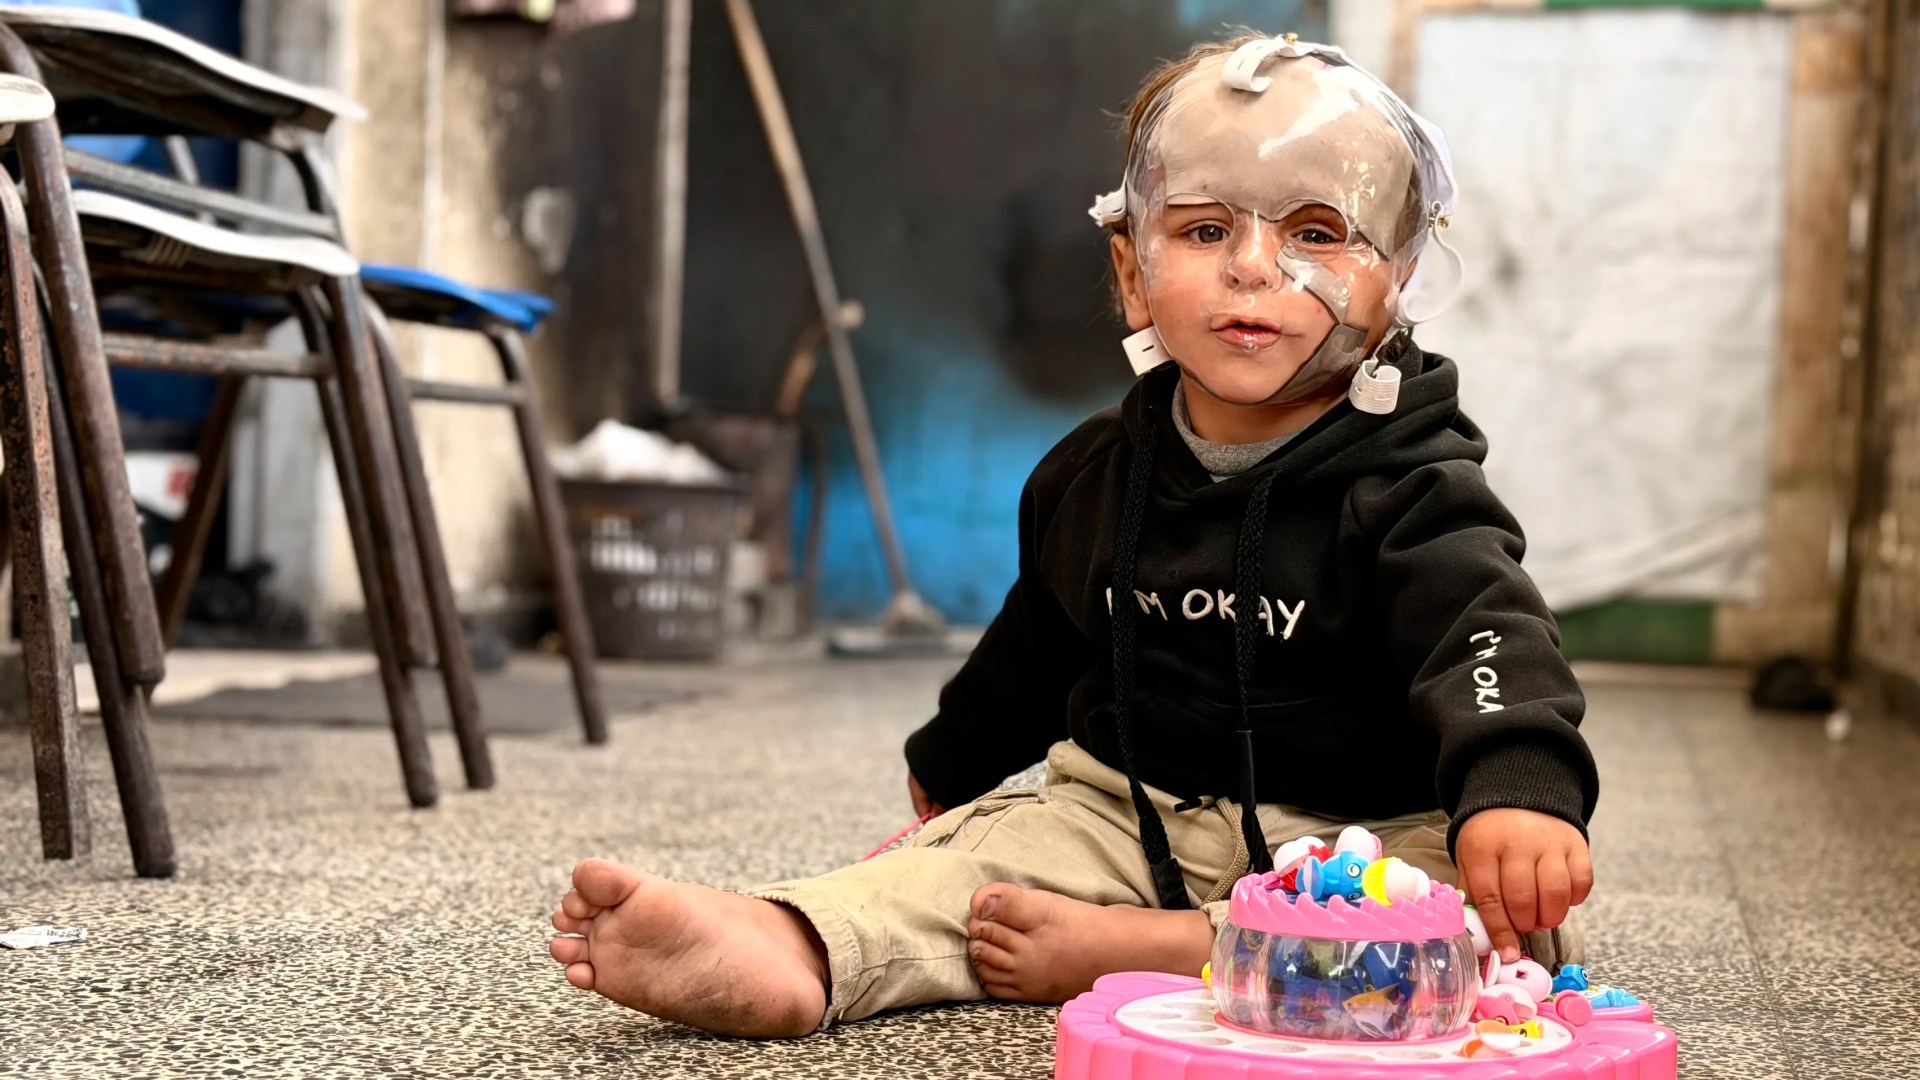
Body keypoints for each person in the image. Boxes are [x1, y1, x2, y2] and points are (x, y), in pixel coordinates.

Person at [546, 33, 1597, 1039]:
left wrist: (1516, 789)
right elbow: (1042, 637)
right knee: (960, 869)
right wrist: (955, 757)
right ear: (1133, 271)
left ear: (1396, 276)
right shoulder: (1094, 474)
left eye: (1317, 233)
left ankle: (1161, 950)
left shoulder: (1416, 486)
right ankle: (803, 944)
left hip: (1357, 841)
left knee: (1490, 927)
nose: (1254, 267)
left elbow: (1488, 637)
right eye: (1204, 230)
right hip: (1125, 821)